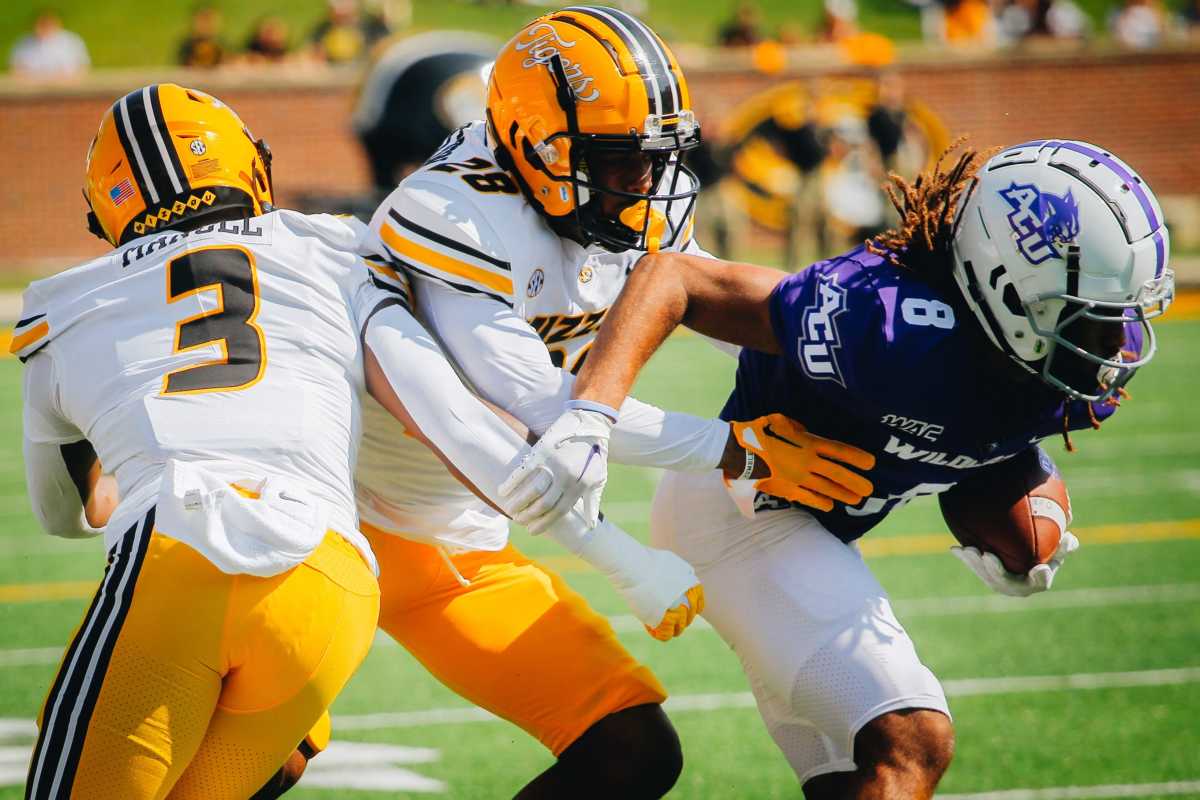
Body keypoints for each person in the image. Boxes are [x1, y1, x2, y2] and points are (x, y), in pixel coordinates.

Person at [16, 81, 675, 799]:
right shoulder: (338, 243)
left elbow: (68, 511)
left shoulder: (61, 306)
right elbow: (450, 404)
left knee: (630, 744)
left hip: (268, 544)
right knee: (269, 759)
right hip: (338, 558)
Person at [528, 139, 1174, 798]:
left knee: (853, 779)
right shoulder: (885, 321)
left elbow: (989, 433)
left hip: (807, 534)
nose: (1113, 343)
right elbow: (674, 279)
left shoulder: (1065, 370)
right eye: (1091, 316)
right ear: (1007, 284)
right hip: (742, 511)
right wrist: (590, 417)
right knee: (911, 741)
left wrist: (1018, 500)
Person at [357, 7, 876, 798]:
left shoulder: (625, 192)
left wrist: (866, 370)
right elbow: (546, 409)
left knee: (632, 751)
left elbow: (716, 302)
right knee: (256, 758)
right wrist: (737, 446)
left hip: (459, 539)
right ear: (531, 141)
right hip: (342, 522)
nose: (644, 182)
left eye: (654, 158)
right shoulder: (450, 213)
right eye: (618, 160)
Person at [8, 9, 89, 78]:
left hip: (67, 91)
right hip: (31, 92)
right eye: (42, 25)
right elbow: (14, 70)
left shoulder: (72, 41)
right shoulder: (23, 43)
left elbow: (83, 69)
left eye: (48, 25)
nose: (45, 29)